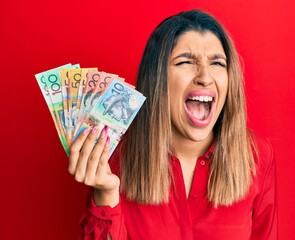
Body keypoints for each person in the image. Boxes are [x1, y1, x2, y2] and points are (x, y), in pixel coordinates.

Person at [68, 9, 277, 240]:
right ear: (158, 79)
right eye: (186, 61)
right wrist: (105, 194)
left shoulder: (259, 157)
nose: (205, 77)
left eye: (217, 63)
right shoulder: (114, 158)